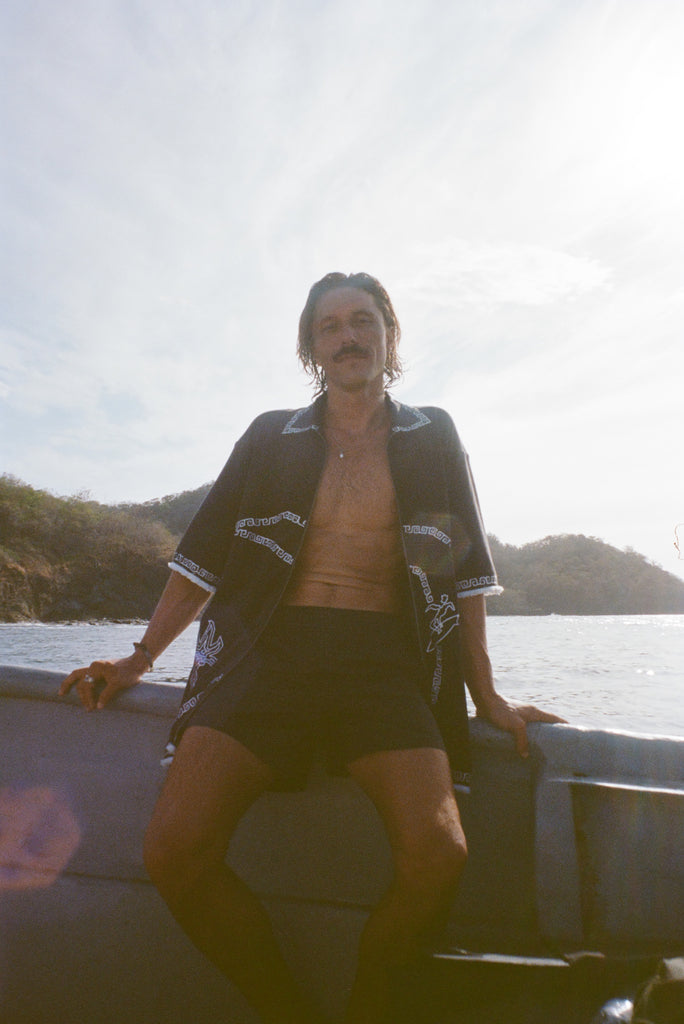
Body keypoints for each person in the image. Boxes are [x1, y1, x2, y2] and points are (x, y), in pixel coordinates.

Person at [60, 271, 564, 1024]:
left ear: (389, 337)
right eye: (329, 327)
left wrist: (484, 694)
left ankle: (367, 1001)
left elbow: (463, 576)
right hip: (268, 655)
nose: (348, 337)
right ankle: (284, 1010)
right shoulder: (271, 437)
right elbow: (200, 562)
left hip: (384, 666)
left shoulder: (434, 436)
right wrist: (138, 658)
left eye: (363, 321)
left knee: (439, 857)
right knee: (174, 851)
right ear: (311, 347)